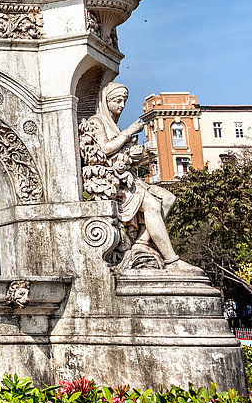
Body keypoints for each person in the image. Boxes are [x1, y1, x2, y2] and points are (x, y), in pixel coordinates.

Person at [79, 82, 199, 272]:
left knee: (168, 198)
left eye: (124, 101)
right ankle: (171, 260)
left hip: (129, 178)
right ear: (106, 101)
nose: (122, 105)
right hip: (115, 183)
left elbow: (118, 152)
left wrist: (134, 154)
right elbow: (103, 149)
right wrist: (129, 133)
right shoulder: (97, 122)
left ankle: (142, 243)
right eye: (117, 101)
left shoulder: (113, 125)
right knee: (152, 205)